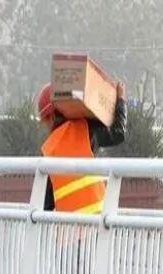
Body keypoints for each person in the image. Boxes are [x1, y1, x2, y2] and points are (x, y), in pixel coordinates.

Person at [37, 81, 127, 213]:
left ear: (52, 116)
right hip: (99, 224)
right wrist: (121, 100)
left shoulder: (48, 149)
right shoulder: (85, 129)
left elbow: (45, 205)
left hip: (69, 229)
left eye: (45, 121)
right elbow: (118, 133)